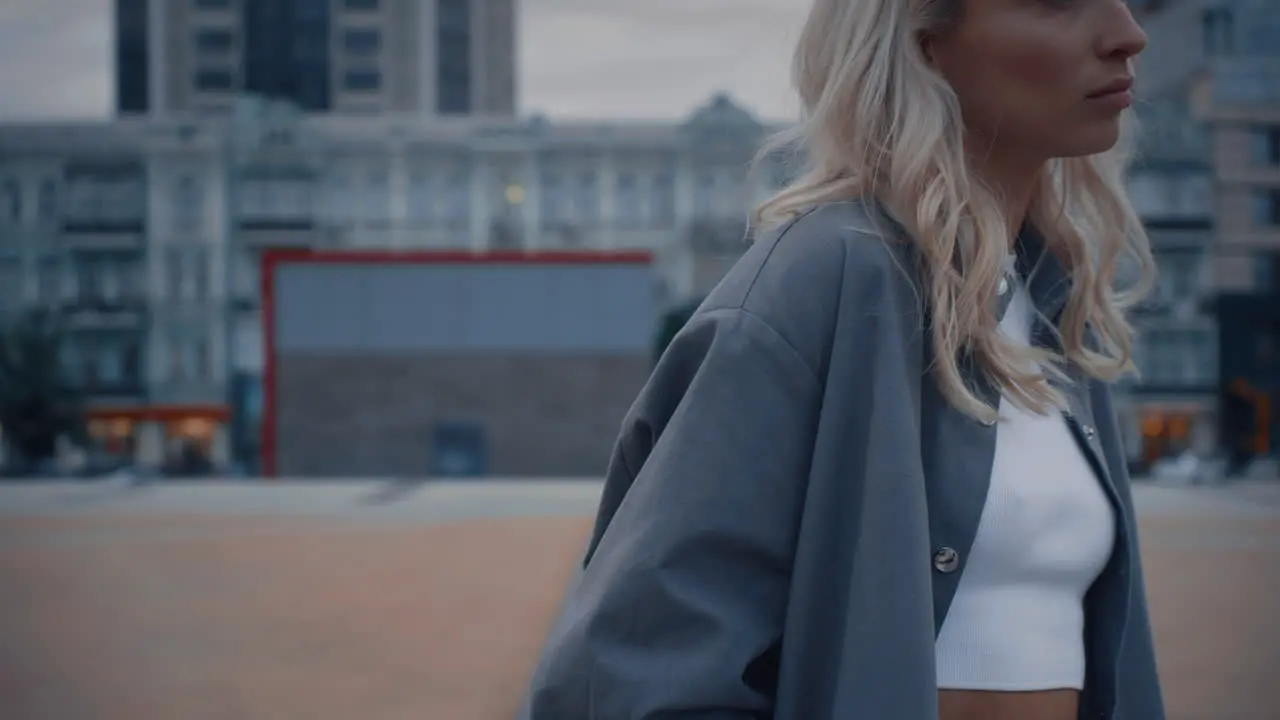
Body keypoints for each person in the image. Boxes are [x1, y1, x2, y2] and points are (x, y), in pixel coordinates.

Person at [521, 0, 1165, 718]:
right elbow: (638, 670)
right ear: (922, 45)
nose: (1126, 34)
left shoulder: (1056, 304)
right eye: (1057, 3)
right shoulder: (819, 282)